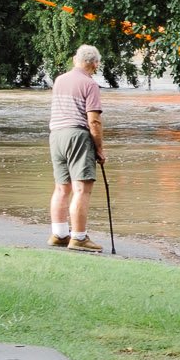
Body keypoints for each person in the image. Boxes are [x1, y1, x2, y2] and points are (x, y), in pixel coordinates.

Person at [48, 45, 107, 252]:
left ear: (75, 59)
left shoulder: (60, 80)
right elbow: (94, 121)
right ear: (95, 64)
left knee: (61, 188)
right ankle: (79, 238)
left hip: (56, 135)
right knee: (81, 189)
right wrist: (99, 149)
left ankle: (59, 234)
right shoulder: (90, 84)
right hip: (77, 135)